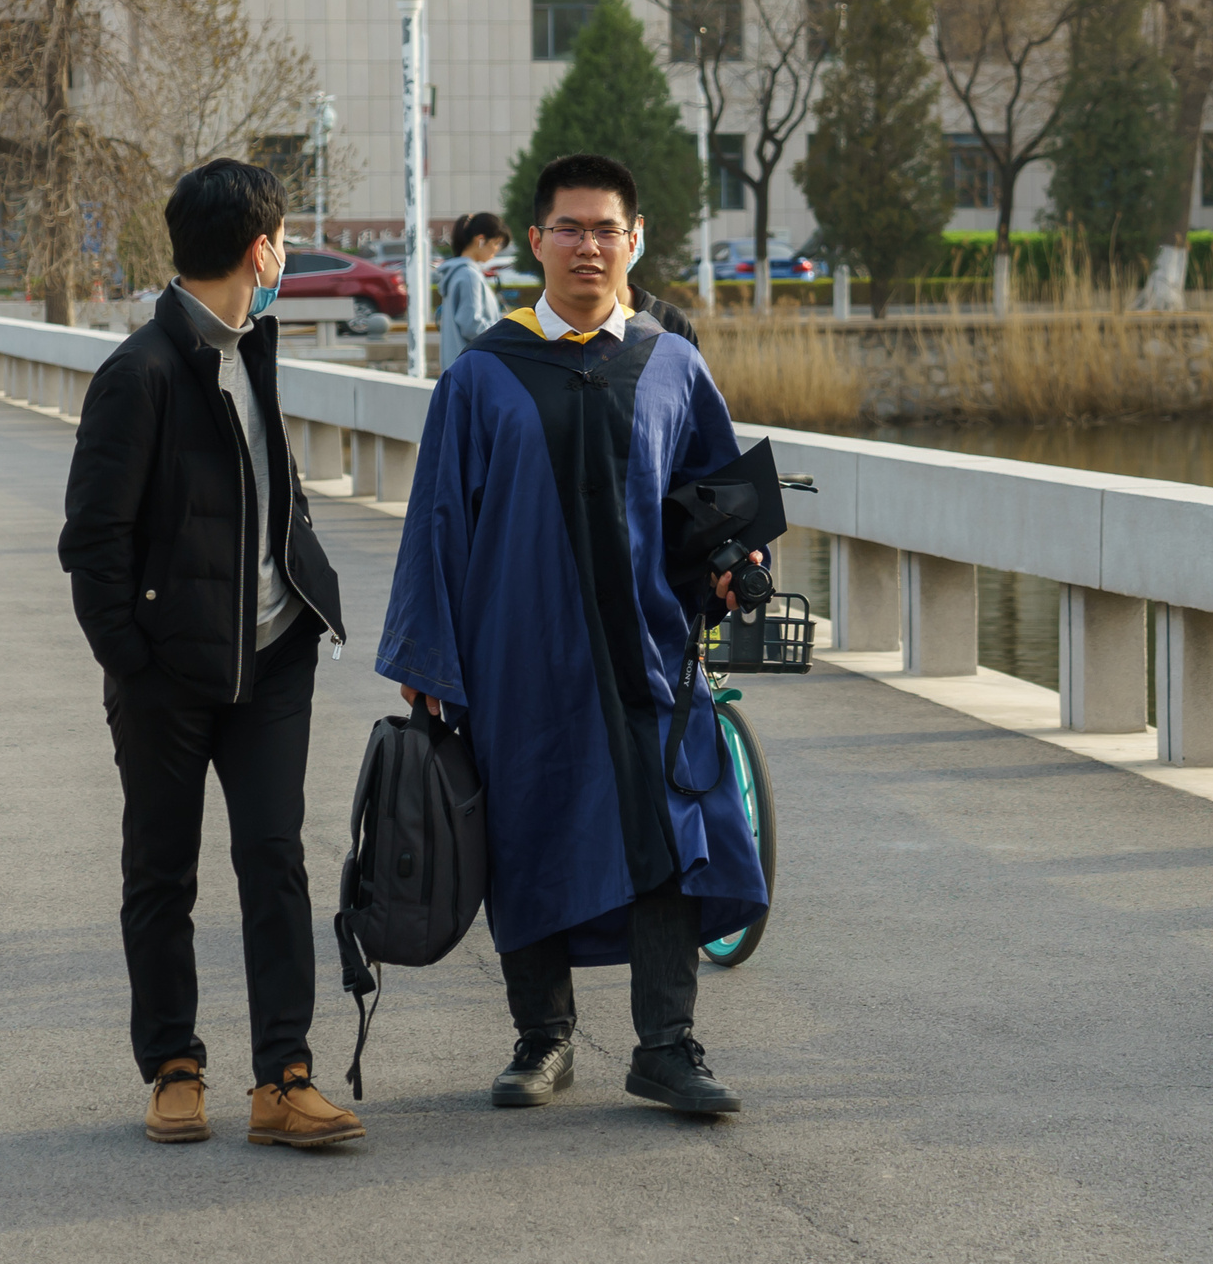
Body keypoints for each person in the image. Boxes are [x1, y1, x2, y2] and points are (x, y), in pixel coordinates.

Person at [378, 152, 768, 1117]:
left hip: (649, 646)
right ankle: (542, 1037)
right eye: (568, 228)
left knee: (671, 830)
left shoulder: (670, 363)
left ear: (634, 241)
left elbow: (714, 497)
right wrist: (428, 658)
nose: (587, 246)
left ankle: (666, 1044)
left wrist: (736, 560)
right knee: (530, 829)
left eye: (605, 229)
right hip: (520, 649)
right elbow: (438, 520)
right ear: (536, 241)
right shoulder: (483, 373)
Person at [58, 159, 362, 1151]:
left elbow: (273, 491)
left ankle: (284, 1078)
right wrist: (134, 665)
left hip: (273, 659)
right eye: (284, 242)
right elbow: (92, 543)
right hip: (169, 677)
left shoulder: (255, 347)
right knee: (162, 871)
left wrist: (304, 589)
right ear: (259, 252)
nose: (286, 257)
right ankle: (174, 1067)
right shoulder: (140, 373)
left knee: (276, 862)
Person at [435, 211, 508, 369]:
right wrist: (506, 328)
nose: (496, 250)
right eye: (496, 243)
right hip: (472, 370)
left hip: (459, 368)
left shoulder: (459, 272)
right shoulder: (469, 275)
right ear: (480, 240)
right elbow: (472, 325)